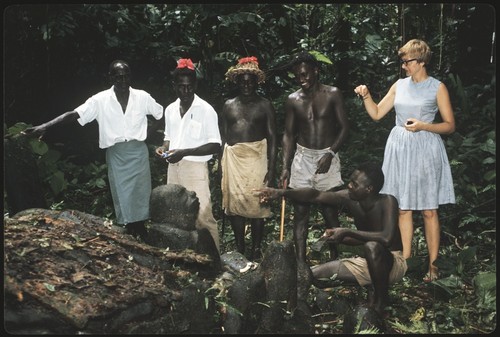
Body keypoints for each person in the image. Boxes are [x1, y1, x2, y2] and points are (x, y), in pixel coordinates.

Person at [23, 60, 163, 239]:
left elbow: (160, 113)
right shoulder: (100, 100)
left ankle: (140, 229)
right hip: (117, 154)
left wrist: (147, 134)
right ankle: (131, 229)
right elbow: (74, 114)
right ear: (110, 77)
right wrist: (45, 126)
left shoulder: (142, 97)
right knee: (123, 194)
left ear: (131, 76)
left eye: (126, 76)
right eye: (118, 77)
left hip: (138, 151)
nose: (123, 80)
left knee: (141, 192)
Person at [354, 39, 456, 283]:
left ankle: (433, 266)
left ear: (421, 62)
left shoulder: (437, 87)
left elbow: (450, 125)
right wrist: (367, 96)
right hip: (399, 146)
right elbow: (377, 114)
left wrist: (424, 126)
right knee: (402, 208)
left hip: (426, 146)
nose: (403, 67)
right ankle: (406, 261)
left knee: (429, 210)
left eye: (407, 62)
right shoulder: (399, 85)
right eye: (402, 62)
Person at [256, 162, 407, 316]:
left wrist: (347, 231)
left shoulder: (388, 201)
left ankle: (381, 303)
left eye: (354, 184)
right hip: (366, 263)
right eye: (350, 181)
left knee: (372, 247)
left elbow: (386, 238)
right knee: (310, 274)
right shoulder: (350, 198)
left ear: (369, 189)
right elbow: (315, 195)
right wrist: (281, 193)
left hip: (393, 264)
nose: (349, 186)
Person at [281, 51, 349, 262]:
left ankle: (336, 260)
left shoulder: (333, 94)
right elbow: (289, 135)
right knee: (300, 213)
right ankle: (301, 264)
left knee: (330, 212)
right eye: (298, 76)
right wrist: (285, 166)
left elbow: (345, 128)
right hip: (303, 158)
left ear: (316, 71)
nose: (302, 80)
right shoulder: (293, 100)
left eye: (305, 75)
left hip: (327, 155)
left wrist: (330, 153)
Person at [155, 58, 222, 252]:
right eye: (181, 87)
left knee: (203, 216)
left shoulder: (206, 110)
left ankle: (214, 259)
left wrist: (185, 152)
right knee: (175, 214)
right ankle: (184, 258)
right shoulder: (170, 110)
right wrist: (163, 149)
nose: (186, 92)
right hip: (173, 168)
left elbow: (215, 145)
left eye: (189, 87)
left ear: (195, 85)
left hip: (195, 169)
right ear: (174, 86)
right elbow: (168, 138)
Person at [221, 56, 277, 260]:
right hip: (234, 159)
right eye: (242, 81)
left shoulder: (265, 105)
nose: (246, 84)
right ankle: (239, 247)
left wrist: (271, 170)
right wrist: (222, 162)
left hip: (257, 158)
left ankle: (255, 248)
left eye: (250, 80)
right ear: (236, 82)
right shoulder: (228, 105)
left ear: (256, 81)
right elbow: (224, 136)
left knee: (257, 204)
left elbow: (273, 138)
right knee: (235, 206)